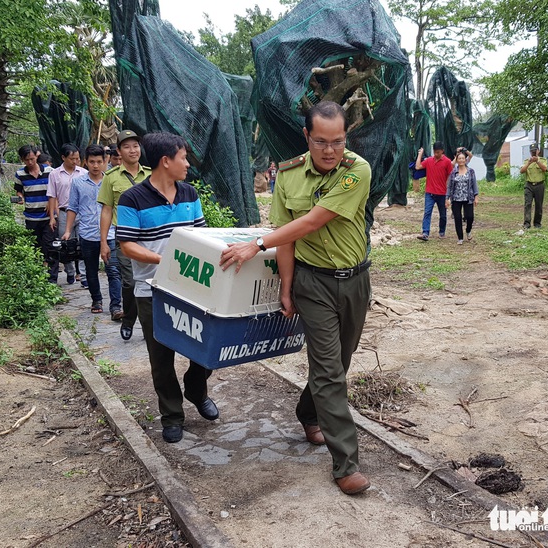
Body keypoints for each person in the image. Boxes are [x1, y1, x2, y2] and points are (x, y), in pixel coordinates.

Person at [219, 101, 372, 496]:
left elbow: (314, 220)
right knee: (328, 371)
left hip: (355, 281)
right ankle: (346, 465)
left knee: (339, 362)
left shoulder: (357, 169)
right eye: (321, 141)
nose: (329, 150)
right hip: (313, 284)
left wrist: (256, 243)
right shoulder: (287, 176)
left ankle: (308, 412)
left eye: (337, 142)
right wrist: (286, 288)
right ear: (307, 136)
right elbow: (288, 235)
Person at [116, 132, 217, 444]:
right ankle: (172, 416)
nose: (187, 164)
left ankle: (197, 389)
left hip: (192, 289)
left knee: (205, 348)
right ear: (165, 161)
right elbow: (127, 246)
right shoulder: (132, 199)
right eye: (183, 158)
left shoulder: (190, 194)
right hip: (152, 290)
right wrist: (166, 259)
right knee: (161, 358)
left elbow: (202, 238)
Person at [99, 129, 150, 339]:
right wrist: (103, 242)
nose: (133, 150)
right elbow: (107, 210)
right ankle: (129, 320)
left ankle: (150, 326)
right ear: (119, 151)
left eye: (136, 145)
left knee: (150, 283)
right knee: (129, 282)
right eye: (127, 146)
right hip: (125, 239)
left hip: (150, 238)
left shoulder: (151, 174)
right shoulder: (111, 178)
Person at [62, 144, 121, 315]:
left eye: (99, 162)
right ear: (85, 162)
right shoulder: (78, 183)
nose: (96, 166)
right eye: (92, 162)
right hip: (87, 233)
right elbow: (72, 207)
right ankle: (97, 300)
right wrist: (67, 230)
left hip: (110, 233)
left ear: (105, 162)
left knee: (113, 270)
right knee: (91, 270)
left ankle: (116, 305)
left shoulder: (110, 180)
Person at [14, 145, 58, 282]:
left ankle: (52, 279)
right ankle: (38, 276)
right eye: (27, 160)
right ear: (22, 160)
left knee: (51, 246)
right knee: (35, 247)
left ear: (37, 157)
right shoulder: (20, 174)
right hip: (31, 216)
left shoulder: (50, 172)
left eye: (32, 159)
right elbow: (19, 191)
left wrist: (51, 204)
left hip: (49, 216)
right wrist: (20, 197)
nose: (30, 162)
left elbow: (57, 191)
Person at [47, 143, 87, 285]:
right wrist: (52, 217)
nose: (75, 162)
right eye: (72, 159)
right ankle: (70, 271)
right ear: (63, 157)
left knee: (82, 243)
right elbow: (52, 195)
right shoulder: (55, 174)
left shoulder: (83, 173)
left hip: (82, 213)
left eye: (77, 158)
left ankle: (83, 275)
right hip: (64, 212)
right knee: (66, 244)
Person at [415, 142, 453, 241]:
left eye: (438, 152)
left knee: (443, 214)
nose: (436, 154)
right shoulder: (429, 161)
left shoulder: (447, 162)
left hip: (442, 193)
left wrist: (448, 194)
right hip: (430, 192)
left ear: (442, 151)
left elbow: (450, 176)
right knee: (427, 212)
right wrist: (420, 154)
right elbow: (418, 166)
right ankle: (425, 233)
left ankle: (442, 231)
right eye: (435, 152)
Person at [446, 150, 479, 244]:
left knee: (470, 217)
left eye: (462, 158)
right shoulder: (453, 172)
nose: (461, 160)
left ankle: (468, 230)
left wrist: (476, 196)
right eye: (459, 158)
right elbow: (449, 186)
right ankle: (460, 238)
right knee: (457, 217)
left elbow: (474, 184)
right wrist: (447, 198)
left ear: (465, 160)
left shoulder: (470, 171)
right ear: (456, 160)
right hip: (456, 198)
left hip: (468, 197)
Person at [521, 144, 548, 229]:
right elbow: (522, 171)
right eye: (532, 151)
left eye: (535, 150)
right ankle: (527, 223)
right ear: (530, 152)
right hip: (529, 185)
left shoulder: (543, 160)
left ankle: (537, 223)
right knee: (527, 204)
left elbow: (545, 169)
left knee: (538, 205)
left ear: (538, 151)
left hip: (539, 185)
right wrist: (529, 162)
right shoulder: (526, 161)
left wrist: (537, 161)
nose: (533, 152)